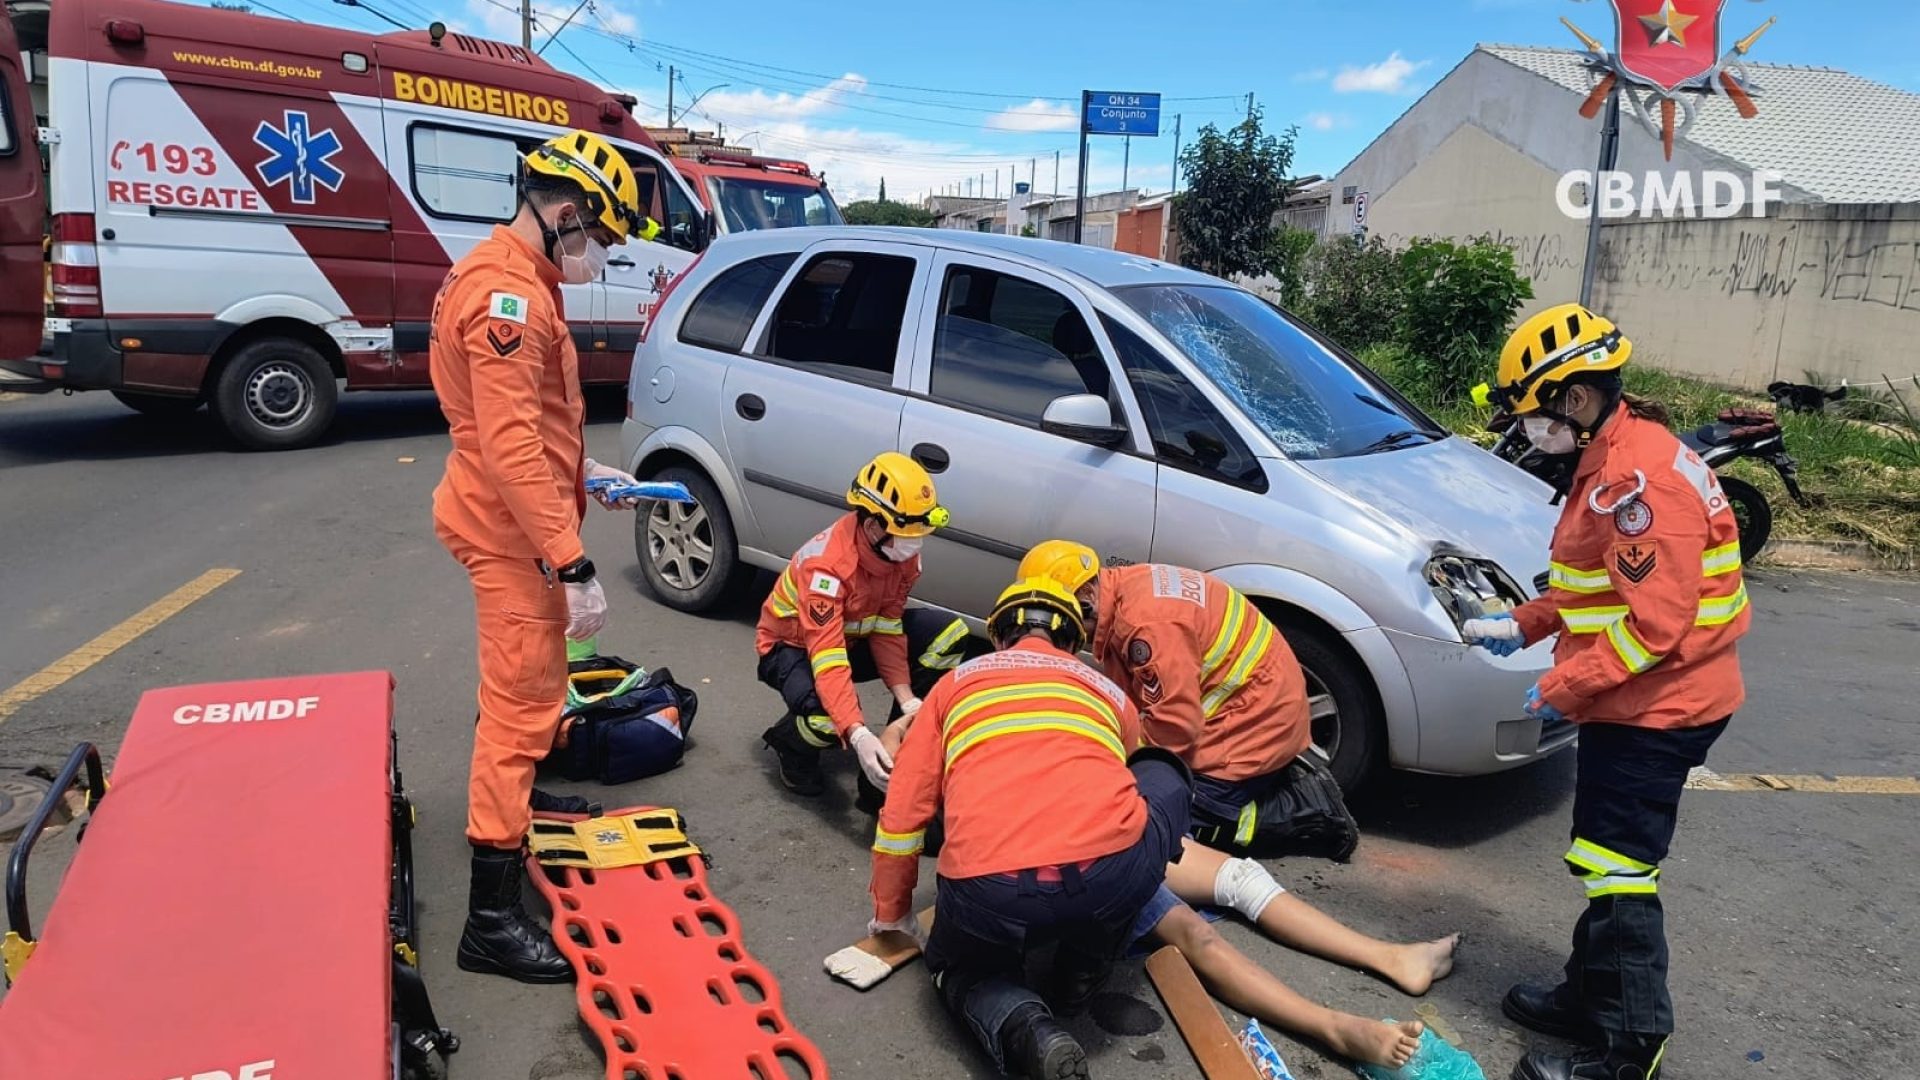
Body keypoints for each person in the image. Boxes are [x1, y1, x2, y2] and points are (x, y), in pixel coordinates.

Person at [1463, 303, 1751, 1080]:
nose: (1529, 431)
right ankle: (1586, 996)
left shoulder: (1636, 482)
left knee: (1619, 867)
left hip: (1660, 705)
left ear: (1578, 400)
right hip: (1648, 697)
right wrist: (1520, 624)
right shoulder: (1613, 458)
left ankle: (1630, 1047)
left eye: (1534, 416)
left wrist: (1563, 686)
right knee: (1604, 854)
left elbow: (1653, 629)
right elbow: (1592, 590)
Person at [429, 129, 658, 983]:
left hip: (512, 514)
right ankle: (490, 917)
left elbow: (520, 429)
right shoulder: (508, 302)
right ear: (566, 214)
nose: (600, 256)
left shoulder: (506, 273)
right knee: (522, 700)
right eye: (600, 239)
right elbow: (509, 445)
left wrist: (584, 470)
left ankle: (515, 808)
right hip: (511, 534)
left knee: (526, 691)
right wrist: (573, 563)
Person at [869, 578, 1192, 1079]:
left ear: (999, 636)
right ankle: (1080, 971)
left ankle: (1029, 1031)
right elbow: (1130, 775)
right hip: (1109, 875)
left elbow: (903, 814)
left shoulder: (954, 685)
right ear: (1071, 640)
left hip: (988, 887)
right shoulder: (1108, 690)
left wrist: (892, 913)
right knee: (1161, 769)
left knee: (960, 968)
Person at [1016, 542, 1357, 860]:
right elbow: (1144, 697)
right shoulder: (1128, 590)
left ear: (1086, 596)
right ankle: (1268, 781)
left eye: (1066, 620)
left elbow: (1174, 724)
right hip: (1255, 709)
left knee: (1162, 825)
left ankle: (1309, 810)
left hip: (1250, 727)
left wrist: (1118, 764)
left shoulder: (1146, 625)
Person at [757, 452, 976, 799]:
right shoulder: (826, 569)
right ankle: (790, 744)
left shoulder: (899, 553)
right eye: (904, 533)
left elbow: (888, 627)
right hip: (792, 650)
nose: (914, 544)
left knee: (948, 633)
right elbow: (828, 657)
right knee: (828, 721)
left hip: (852, 642)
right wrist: (856, 732)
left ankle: (894, 754)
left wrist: (907, 699)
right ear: (872, 523)